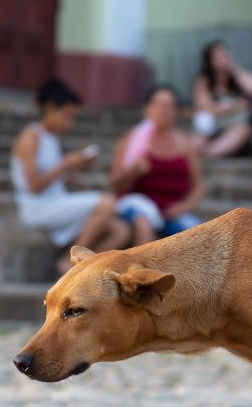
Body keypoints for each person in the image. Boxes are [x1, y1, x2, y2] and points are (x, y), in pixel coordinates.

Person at [11, 79, 129, 275]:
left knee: (120, 231)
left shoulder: (51, 138)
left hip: (54, 200)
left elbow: (53, 180)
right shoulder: (30, 137)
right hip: (37, 206)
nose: (70, 122)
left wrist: (74, 168)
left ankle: (79, 271)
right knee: (107, 203)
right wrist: (65, 164)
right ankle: (68, 263)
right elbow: (33, 186)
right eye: (67, 115)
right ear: (50, 108)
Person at [109, 83, 205, 245]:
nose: (164, 109)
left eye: (169, 105)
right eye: (158, 104)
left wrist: (184, 206)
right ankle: (143, 270)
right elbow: (114, 184)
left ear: (176, 111)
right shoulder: (133, 140)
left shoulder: (185, 143)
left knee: (202, 239)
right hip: (137, 205)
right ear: (147, 108)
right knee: (143, 222)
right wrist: (133, 171)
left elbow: (198, 185)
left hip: (171, 210)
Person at [192, 40, 252, 158]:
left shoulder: (237, 75)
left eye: (225, 54)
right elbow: (203, 107)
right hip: (212, 126)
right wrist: (234, 107)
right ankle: (200, 152)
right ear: (210, 61)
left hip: (236, 126)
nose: (224, 59)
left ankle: (208, 154)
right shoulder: (204, 79)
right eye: (218, 57)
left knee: (244, 129)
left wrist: (236, 71)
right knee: (201, 124)